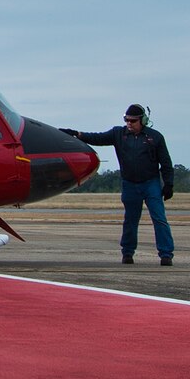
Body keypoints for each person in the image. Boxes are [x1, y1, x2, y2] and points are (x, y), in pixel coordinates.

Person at [71, 104, 176, 265]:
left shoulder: (155, 137)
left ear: (143, 121)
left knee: (159, 219)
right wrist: (77, 134)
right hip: (130, 184)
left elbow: (166, 163)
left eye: (133, 121)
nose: (129, 124)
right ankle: (127, 253)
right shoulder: (118, 134)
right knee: (130, 220)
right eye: (127, 120)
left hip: (151, 184)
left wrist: (168, 184)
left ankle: (166, 254)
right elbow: (98, 138)